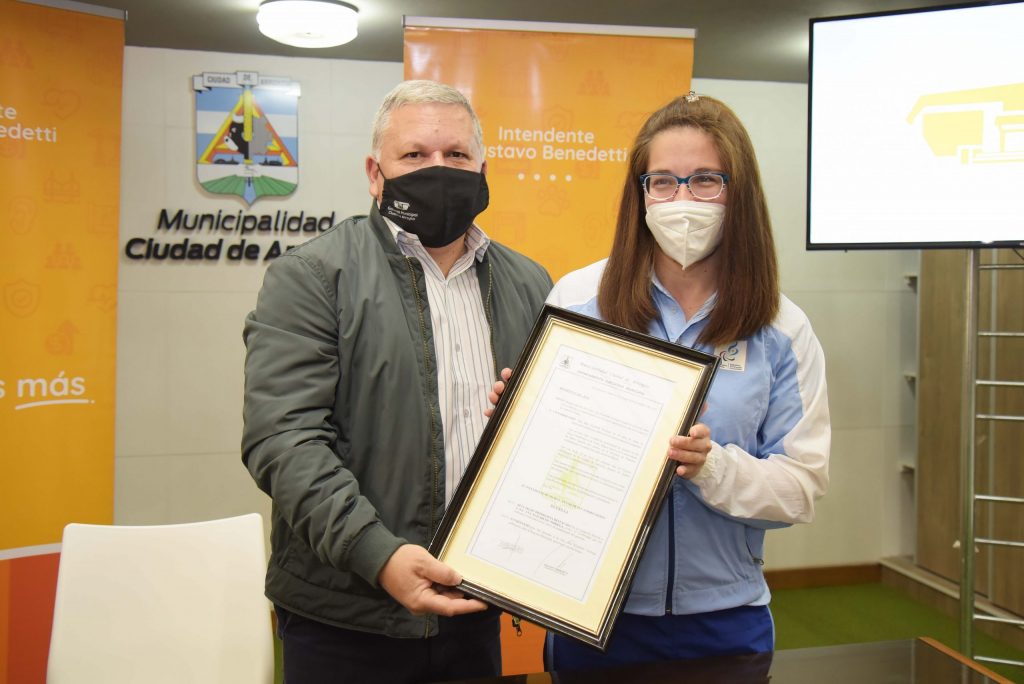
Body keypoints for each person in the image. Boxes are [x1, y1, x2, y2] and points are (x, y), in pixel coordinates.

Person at [493, 92, 830, 670]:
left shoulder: (781, 327)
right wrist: (518, 424)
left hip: (726, 622)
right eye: (663, 182)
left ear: (739, 192)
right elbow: (543, 463)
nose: (682, 200)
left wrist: (711, 468)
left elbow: (800, 488)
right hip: (591, 616)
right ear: (641, 193)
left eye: (705, 180)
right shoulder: (578, 299)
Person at [241, 80, 552, 684]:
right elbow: (283, 440)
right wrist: (377, 555)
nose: (439, 169)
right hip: (346, 618)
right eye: (414, 155)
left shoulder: (530, 282)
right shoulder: (312, 276)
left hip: (472, 608)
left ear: (483, 170)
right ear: (374, 173)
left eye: (456, 155)